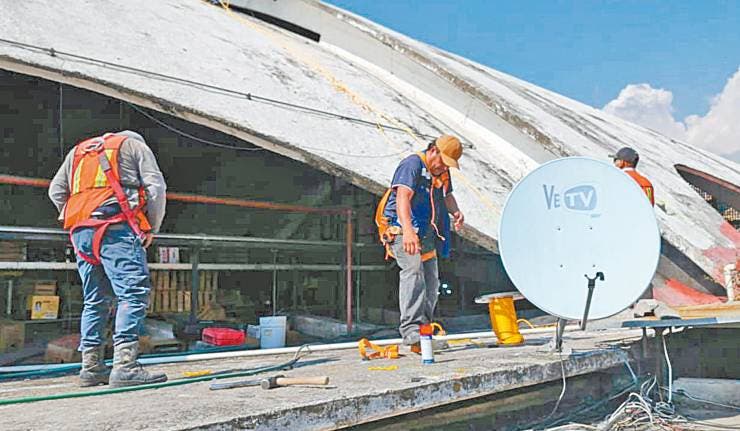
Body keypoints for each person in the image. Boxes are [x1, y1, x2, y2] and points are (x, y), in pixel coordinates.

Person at [49, 130, 167, 387]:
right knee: (132, 294)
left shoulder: (78, 151)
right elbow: (156, 188)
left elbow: (55, 191)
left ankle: (91, 368)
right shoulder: (134, 146)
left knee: (95, 299)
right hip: (116, 228)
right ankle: (125, 367)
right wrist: (152, 228)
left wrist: (81, 216)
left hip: (82, 233)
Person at [375, 135, 464, 349]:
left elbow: (447, 195)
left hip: (425, 234)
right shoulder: (412, 164)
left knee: (432, 282)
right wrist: (407, 231)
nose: (444, 167)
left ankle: (423, 333)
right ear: (433, 150)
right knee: (413, 272)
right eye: (442, 161)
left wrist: (456, 211)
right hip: (402, 229)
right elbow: (403, 197)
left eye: (448, 164)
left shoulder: (442, 172)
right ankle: (411, 330)